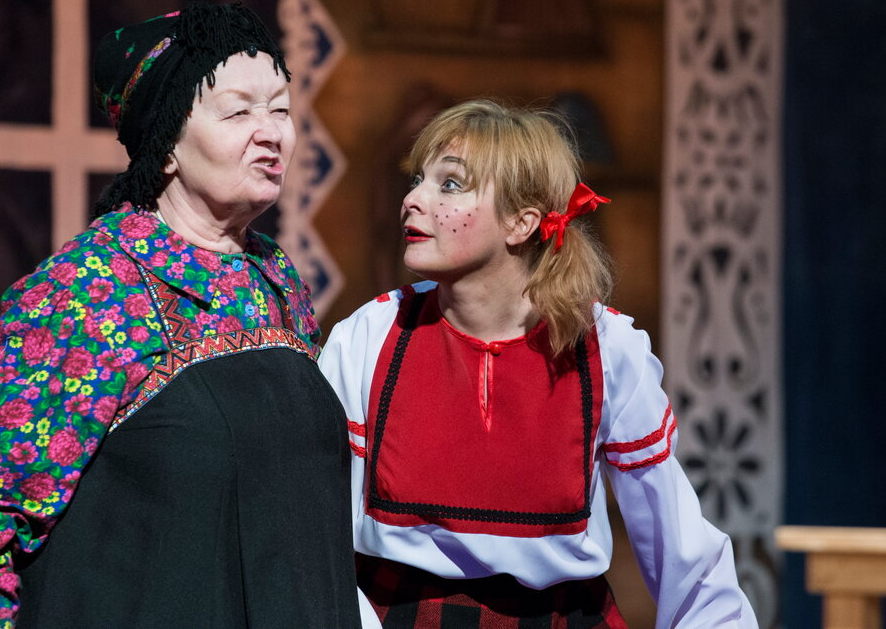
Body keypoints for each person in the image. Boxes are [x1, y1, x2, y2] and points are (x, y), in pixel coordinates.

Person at [0, 2, 367, 627]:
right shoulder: (92, 289)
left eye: (280, 108)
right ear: (166, 146)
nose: (272, 132)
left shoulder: (275, 280)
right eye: (239, 112)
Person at [318, 100, 758, 627]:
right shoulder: (370, 337)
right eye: (418, 180)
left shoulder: (606, 349)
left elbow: (683, 549)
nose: (412, 199)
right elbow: (317, 535)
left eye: (450, 184)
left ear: (521, 222)